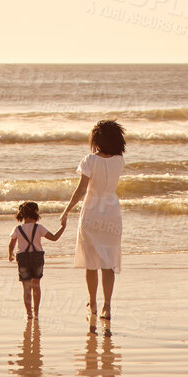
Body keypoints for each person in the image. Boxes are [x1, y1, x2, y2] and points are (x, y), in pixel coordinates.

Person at [59, 119, 126, 332]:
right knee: (108, 261)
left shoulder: (89, 160)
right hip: (112, 212)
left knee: (91, 262)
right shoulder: (119, 161)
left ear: (96, 140)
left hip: (91, 212)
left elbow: (80, 191)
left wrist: (66, 210)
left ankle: (93, 303)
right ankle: (107, 305)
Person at [7, 201, 64, 319]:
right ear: (35, 213)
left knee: (26, 287)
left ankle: (29, 313)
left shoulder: (17, 229)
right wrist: (63, 227)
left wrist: (10, 255)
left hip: (23, 258)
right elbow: (54, 238)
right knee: (36, 285)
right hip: (37, 257)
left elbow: (11, 244)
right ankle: (36, 312)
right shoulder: (39, 228)